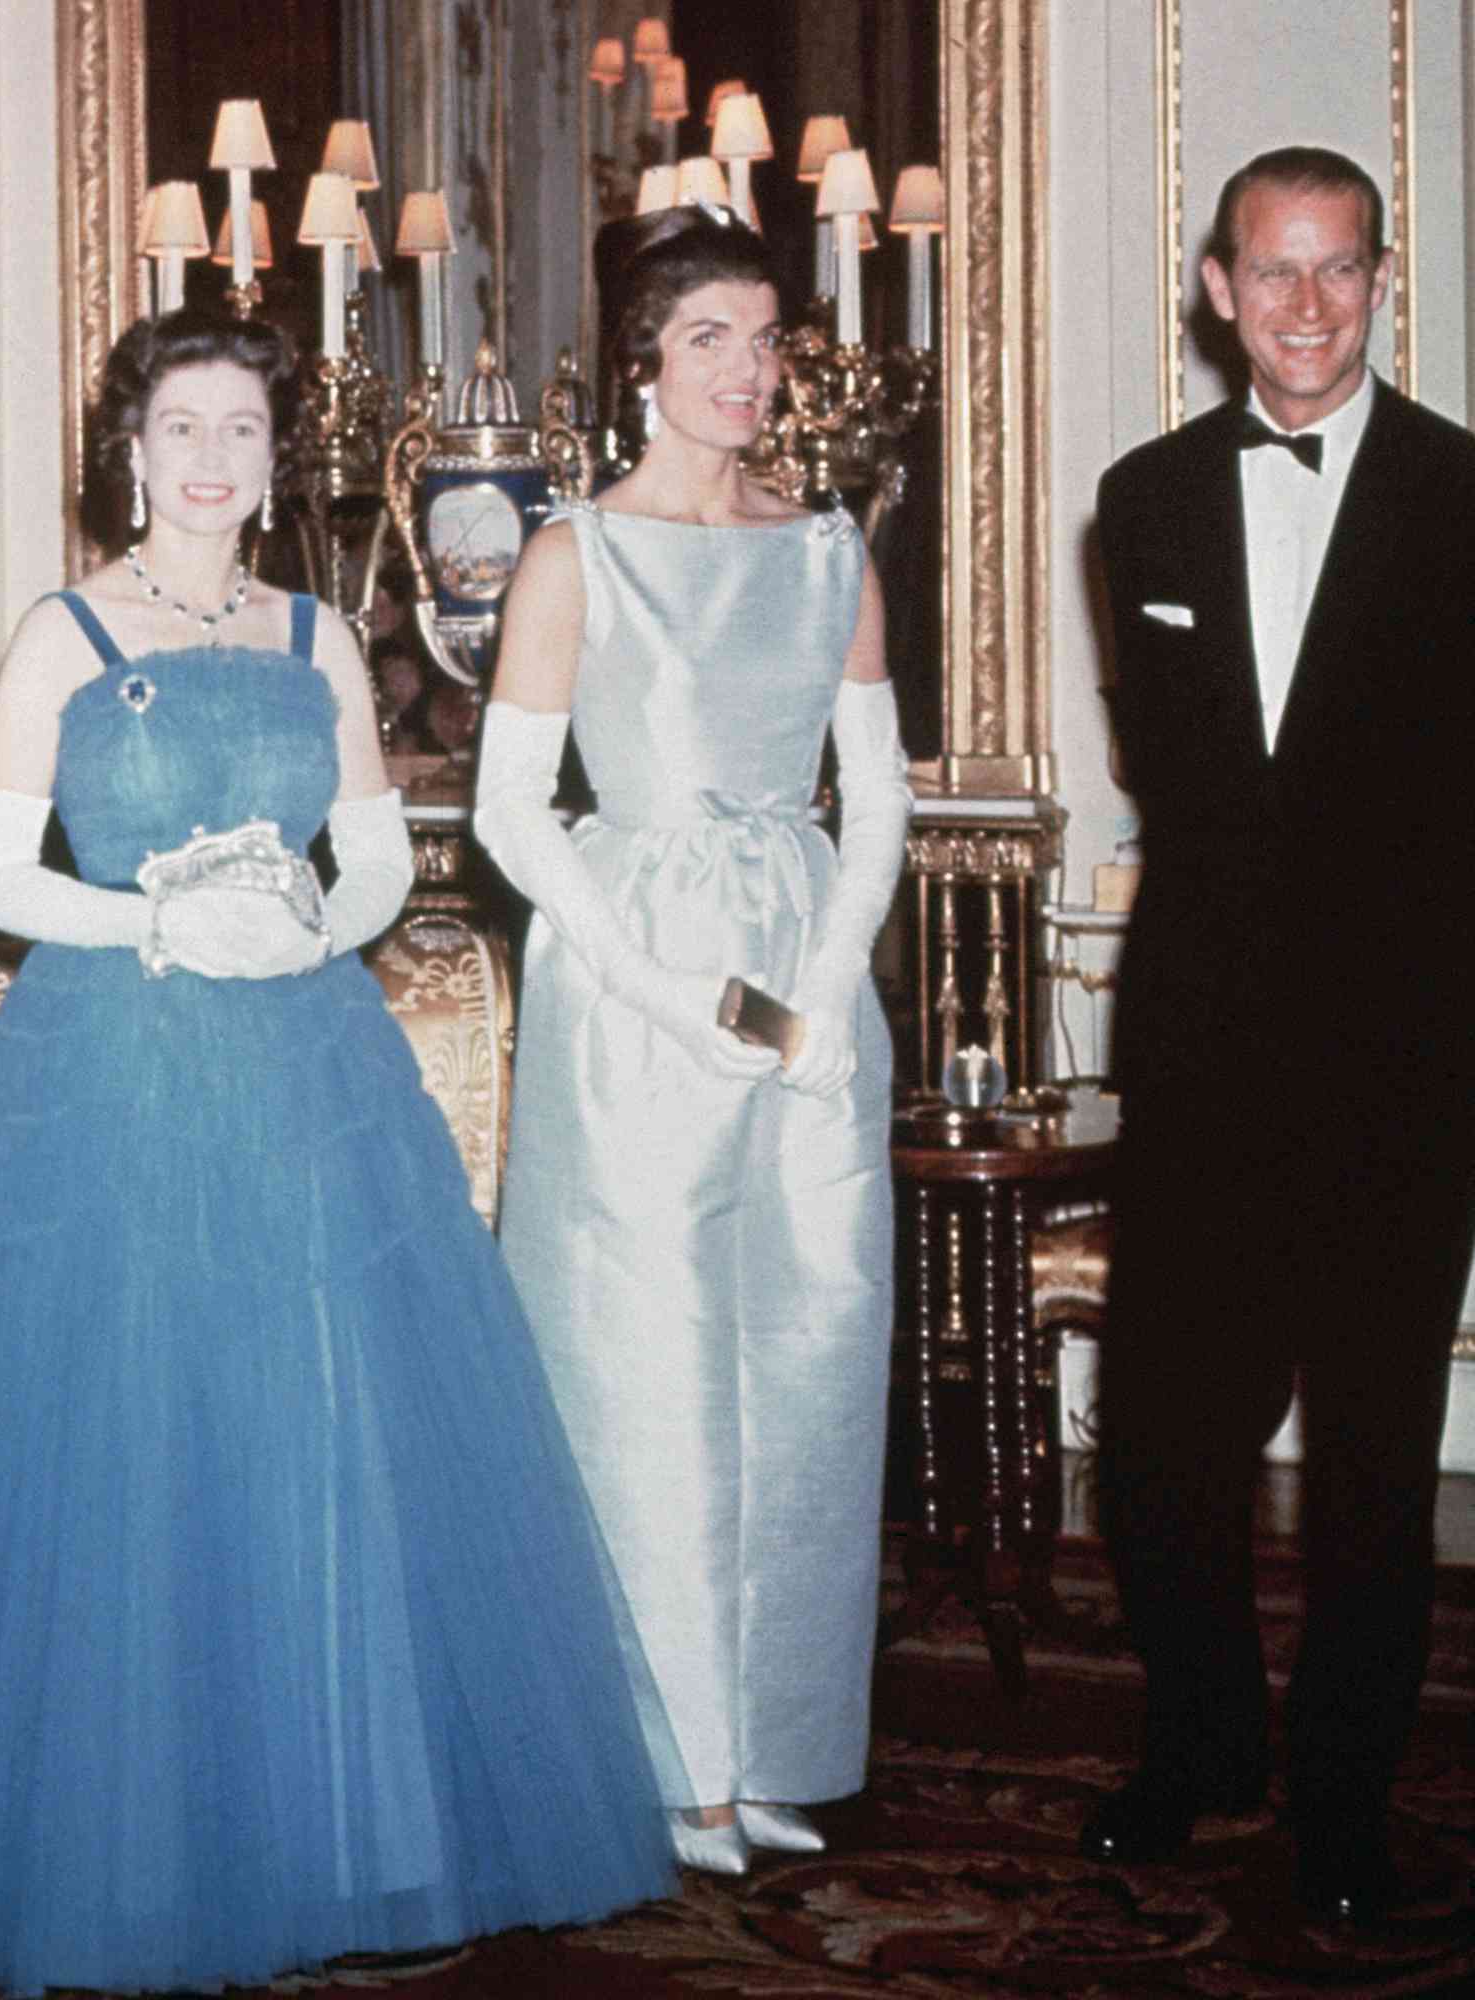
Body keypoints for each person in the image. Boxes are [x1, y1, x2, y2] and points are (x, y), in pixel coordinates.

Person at [0, 308, 677, 1998]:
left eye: (241, 431)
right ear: (130, 449)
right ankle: (115, 1848)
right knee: (117, 1447)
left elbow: (391, 857)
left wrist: (314, 922)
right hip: (107, 1062)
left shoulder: (322, 632)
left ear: (270, 458)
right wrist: (164, 919)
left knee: (310, 1432)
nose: (209, 461)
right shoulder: (60, 632)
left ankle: (330, 1826)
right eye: (182, 427)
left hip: (301, 1066)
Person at [476, 204, 913, 1875]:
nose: (746, 369)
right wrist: (674, 995)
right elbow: (516, 815)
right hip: (638, 984)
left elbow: (869, 796)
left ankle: (780, 1736)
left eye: (765, 335)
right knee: (650, 1367)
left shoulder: (827, 549)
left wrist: (822, 980)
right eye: (707, 339)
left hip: (807, 985)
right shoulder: (574, 550)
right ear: (644, 366)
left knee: (810, 1345)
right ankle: (674, 1759)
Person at [1086, 146, 1475, 1923]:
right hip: (1203, 1051)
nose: (1308, 306)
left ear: (1379, 283)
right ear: (1219, 288)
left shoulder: (1466, 495)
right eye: (1275, 272)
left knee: (1376, 1475)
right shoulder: (1143, 501)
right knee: (1167, 1446)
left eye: (1341, 272)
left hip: (1403, 1062)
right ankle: (1203, 1747)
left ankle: (1342, 1803)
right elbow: (1187, 784)